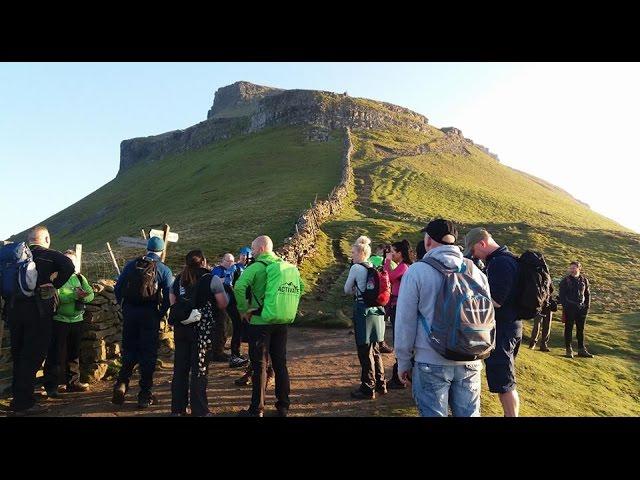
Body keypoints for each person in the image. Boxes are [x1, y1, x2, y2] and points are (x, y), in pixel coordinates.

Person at [396, 220, 490, 417]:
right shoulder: (477, 273)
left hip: (431, 359)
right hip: (470, 358)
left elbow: (405, 322)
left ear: (428, 240)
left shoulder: (417, 271)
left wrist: (403, 361)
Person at [4, 226, 75, 416]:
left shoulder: (14, 257)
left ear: (29, 240)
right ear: (46, 238)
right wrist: (55, 284)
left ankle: (17, 398)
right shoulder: (50, 255)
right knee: (32, 357)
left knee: (18, 355)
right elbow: (69, 266)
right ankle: (24, 403)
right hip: (38, 313)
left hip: (13, 311)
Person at [233, 235, 304, 417]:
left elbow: (239, 287)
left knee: (260, 366)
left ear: (262, 249)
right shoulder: (285, 267)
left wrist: (243, 310)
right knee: (280, 363)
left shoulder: (256, 267)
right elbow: (300, 287)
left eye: (254, 249)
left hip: (259, 322)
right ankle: (283, 406)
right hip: (281, 321)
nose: (253, 253)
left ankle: (256, 409)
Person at [464, 227, 521, 417]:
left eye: (473, 250)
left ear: (482, 243)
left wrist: (472, 294)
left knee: (504, 382)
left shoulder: (500, 263)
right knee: (505, 378)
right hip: (510, 326)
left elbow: (496, 300)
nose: (474, 256)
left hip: (503, 328)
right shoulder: (505, 259)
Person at [112, 236, 174, 409]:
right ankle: (144, 394)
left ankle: (121, 383)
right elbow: (169, 295)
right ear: (161, 251)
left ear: (147, 248)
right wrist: (161, 312)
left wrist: (123, 306)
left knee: (129, 349)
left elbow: (118, 288)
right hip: (150, 314)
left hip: (131, 312)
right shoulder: (163, 269)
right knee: (148, 354)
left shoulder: (132, 265)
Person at [169, 250, 228, 416]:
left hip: (181, 329)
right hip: (202, 331)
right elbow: (223, 303)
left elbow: (172, 301)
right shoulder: (211, 279)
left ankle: (177, 409)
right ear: (203, 262)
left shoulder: (179, 279)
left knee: (180, 369)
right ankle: (200, 410)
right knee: (199, 369)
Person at [42, 250, 94, 397]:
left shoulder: (80, 277)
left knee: (74, 353)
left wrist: (84, 297)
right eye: (68, 261)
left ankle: (73, 382)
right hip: (60, 320)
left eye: (73, 261)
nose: (70, 264)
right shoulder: (56, 277)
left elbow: (91, 294)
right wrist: (74, 295)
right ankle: (52, 386)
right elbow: (55, 297)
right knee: (55, 354)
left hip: (77, 320)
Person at [343, 236, 386, 400]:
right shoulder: (373, 266)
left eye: (353, 252)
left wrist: (355, 289)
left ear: (361, 253)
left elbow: (347, 289)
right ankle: (381, 384)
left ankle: (368, 387)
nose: (351, 255)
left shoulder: (356, 268)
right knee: (375, 348)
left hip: (362, 311)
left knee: (364, 349)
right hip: (377, 310)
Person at [384, 239, 412, 389]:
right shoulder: (402, 266)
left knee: (399, 340)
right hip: (396, 306)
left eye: (393, 252)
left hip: (399, 306)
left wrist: (387, 262)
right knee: (397, 339)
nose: (391, 254)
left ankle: (399, 378)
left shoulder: (403, 267)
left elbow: (390, 277)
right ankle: (398, 376)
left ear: (400, 253)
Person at [212, 253, 248, 368]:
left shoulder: (234, 271)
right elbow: (216, 281)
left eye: (232, 261)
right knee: (220, 327)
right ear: (222, 260)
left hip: (230, 303)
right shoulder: (218, 270)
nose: (230, 263)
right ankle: (217, 352)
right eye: (228, 261)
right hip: (219, 304)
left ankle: (223, 351)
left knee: (227, 327)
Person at [559, 261, 593, 358]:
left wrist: (587, 307)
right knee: (568, 328)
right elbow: (562, 296)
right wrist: (566, 307)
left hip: (581, 309)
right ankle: (568, 349)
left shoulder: (584, 280)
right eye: (571, 268)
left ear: (579, 268)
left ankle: (581, 349)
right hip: (570, 308)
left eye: (574, 268)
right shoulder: (565, 281)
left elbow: (587, 294)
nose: (572, 270)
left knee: (580, 329)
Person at [529, 284, 555, 351]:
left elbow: (552, 290)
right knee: (537, 325)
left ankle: (543, 344)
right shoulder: (539, 280)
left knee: (547, 325)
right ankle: (533, 343)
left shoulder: (549, 281)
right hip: (540, 304)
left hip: (548, 305)